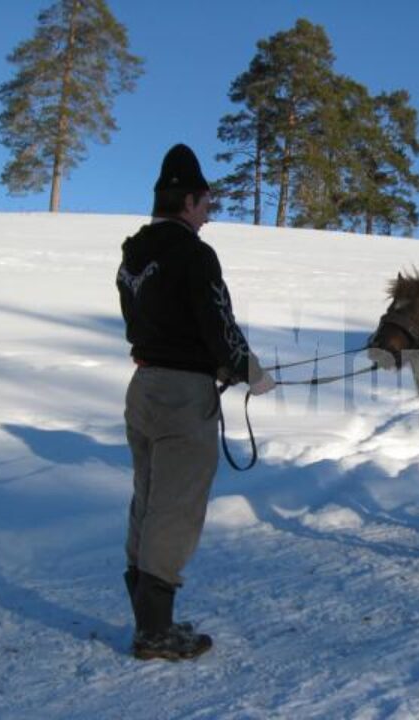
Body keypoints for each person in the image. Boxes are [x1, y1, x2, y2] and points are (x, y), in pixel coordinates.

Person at [116, 143, 275, 661]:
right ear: (186, 201)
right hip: (183, 398)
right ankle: (155, 633)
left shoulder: (134, 254)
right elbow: (216, 322)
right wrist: (249, 371)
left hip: (142, 388)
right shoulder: (194, 253)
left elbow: (156, 323)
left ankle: (150, 618)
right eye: (205, 204)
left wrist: (219, 365)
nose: (208, 215)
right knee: (176, 510)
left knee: (147, 498)